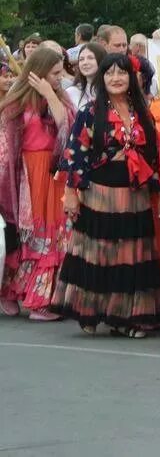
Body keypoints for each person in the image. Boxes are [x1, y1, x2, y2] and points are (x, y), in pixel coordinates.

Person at [50, 54, 160, 337]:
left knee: (130, 255)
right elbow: (75, 155)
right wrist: (71, 193)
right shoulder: (90, 112)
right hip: (99, 194)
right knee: (97, 254)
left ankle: (126, 318)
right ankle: (91, 311)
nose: (116, 78)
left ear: (132, 78)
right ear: (102, 78)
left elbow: (155, 157)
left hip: (134, 195)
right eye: (110, 73)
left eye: (122, 73)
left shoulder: (144, 112)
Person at [0, 49, 73, 320]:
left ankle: (42, 299)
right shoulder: (15, 105)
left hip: (54, 174)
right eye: (54, 73)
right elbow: (5, 148)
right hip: (27, 177)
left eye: (60, 73)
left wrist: (50, 94)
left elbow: (68, 128)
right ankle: (13, 293)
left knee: (54, 237)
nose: (59, 78)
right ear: (38, 72)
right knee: (28, 237)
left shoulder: (60, 100)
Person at [65, 43, 107, 110]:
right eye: (81, 59)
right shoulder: (71, 92)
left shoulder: (111, 90)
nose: (85, 63)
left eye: (90, 58)